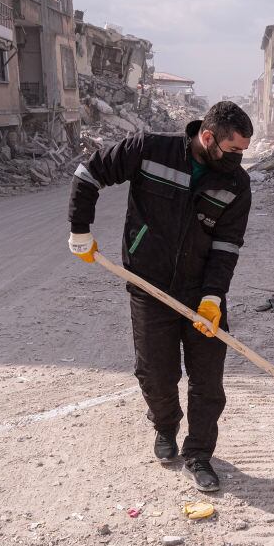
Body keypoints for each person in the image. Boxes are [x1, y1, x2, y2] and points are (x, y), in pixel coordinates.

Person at [67, 101, 253, 491]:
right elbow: (89, 174)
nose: (238, 158)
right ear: (208, 137)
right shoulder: (150, 149)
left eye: (243, 151)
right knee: (155, 372)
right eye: (233, 149)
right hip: (149, 284)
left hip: (200, 292)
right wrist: (80, 228)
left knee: (207, 380)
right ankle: (165, 426)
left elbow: (227, 245)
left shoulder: (236, 184)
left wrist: (213, 297)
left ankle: (199, 453)